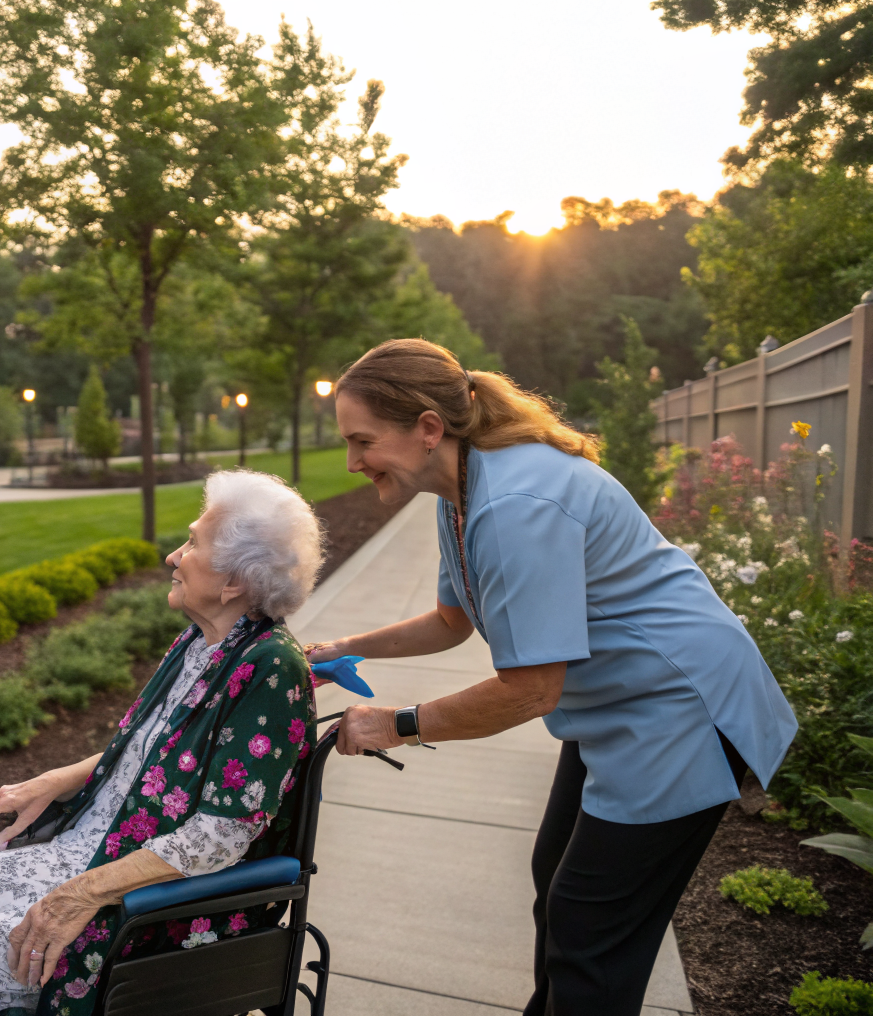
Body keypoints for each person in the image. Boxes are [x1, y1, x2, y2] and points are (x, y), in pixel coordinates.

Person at [308, 338, 797, 1016]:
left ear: (427, 429)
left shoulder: (513, 504)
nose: (352, 462)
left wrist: (396, 726)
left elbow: (531, 690)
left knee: (590, 933)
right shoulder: (461, 491)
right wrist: (340, 648)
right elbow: (452, 620)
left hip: (681, 709)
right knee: (558, 886)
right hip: (625, 705)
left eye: (362, 441)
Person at [0, 469, 322, 1016]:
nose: (173, 556)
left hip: (148, 903)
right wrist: (53, 780)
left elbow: (219, 837)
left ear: (233, 582)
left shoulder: (269, 667)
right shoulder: (203, 641)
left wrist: (80, 894)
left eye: (192, 542)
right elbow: (159, 755)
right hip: (95, 855)